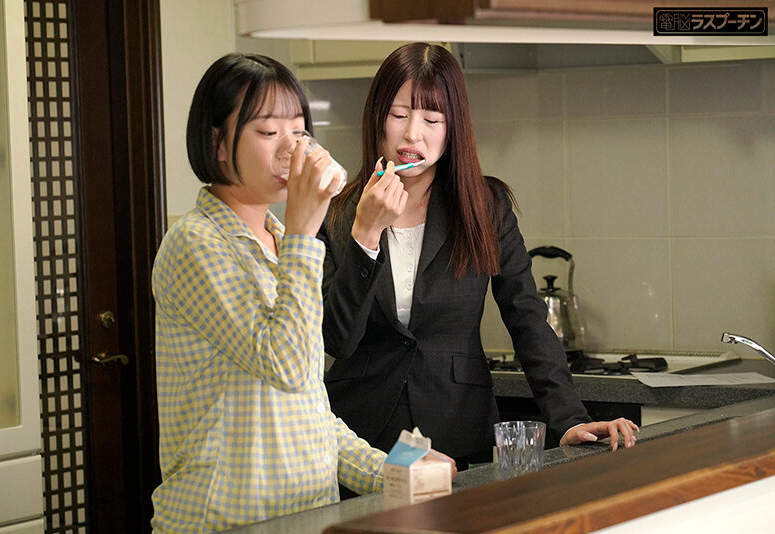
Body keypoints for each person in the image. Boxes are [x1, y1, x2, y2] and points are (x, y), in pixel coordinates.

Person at [319, 43, 638, 480]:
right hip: (361, 436)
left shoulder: (485, 206)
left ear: (453, 127)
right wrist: (366, 234)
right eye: (398, 115)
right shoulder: (337, 211)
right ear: (377, 117)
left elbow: (526, 317)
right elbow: (336, 339)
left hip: (456, 426)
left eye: (432, 120)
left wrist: (569, 419)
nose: (413, 134)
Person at [149, 53, 391, 532]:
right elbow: (286, 366)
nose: (291, 150)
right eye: (267, 131)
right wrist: (304, 231)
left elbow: (308, 406)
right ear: (218, 143)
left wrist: (393, 472)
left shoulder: (281, 240)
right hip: (223, 521)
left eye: (299, 131)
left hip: (305, 515)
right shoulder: (195, 243)